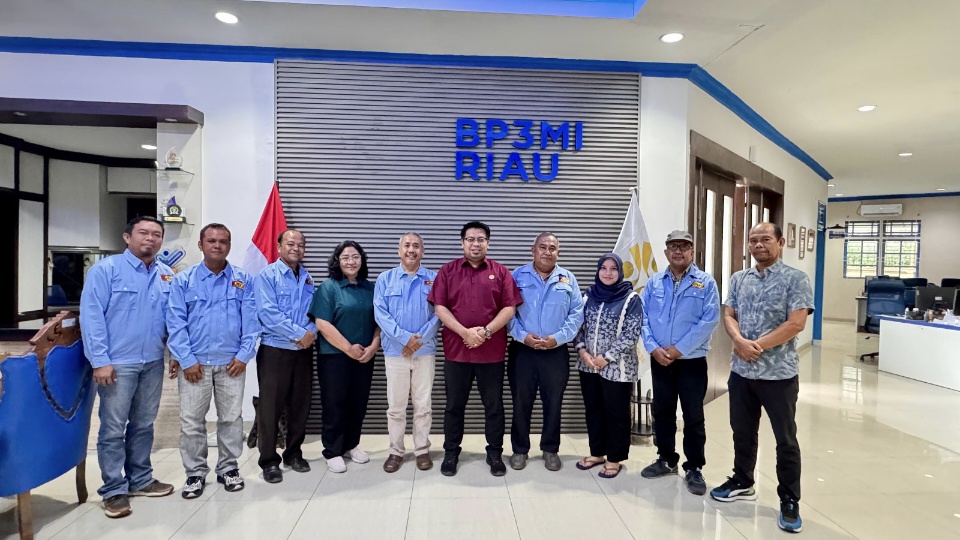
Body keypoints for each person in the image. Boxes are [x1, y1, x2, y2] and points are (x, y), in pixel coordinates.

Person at [709, 222, 813, 534]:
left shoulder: (796, 279)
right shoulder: (739, 278)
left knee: (786, 439)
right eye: (753, 240)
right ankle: (743, 480)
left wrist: (756, 346)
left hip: (779, 374)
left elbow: (796, 323)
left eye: (765, 239)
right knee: (742, 431)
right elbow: (729, 314)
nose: (758, 245)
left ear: (780, 242)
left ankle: (789, 499)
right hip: (741, 373)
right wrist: (738, 341)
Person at [80, 216, 176, 518]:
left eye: (156, 234)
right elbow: (91, 317)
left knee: (144, 424)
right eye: (143, 233)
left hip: (153, 362)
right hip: (117, 364)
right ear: (127, 237)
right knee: (113, 428)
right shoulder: (105, 271)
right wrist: (100, 361)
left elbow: (172, 319)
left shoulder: (166, 275)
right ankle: (113, 490)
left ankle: (141, 479)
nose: (150, 238)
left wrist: (175, 353)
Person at [166, 223, 259, 498]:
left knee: (231, 419)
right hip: (195, 365)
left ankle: (228, 468)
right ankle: (195, 473)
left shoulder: (243, 280)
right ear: (201, 244)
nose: (217, 245)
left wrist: (243, 356)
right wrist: (186, 360)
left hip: (232, 365)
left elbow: (251, 322)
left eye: (223, 241)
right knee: (191, 421)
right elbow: (175, 323)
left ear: (229, 245)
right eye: (211, 241)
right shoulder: (184, 280)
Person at [428, 221, 523, 477]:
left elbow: (509, 308)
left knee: (494, 406)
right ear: (462, 243)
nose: (476, 244)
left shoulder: (501, 272)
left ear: (488, 243)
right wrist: (465, 333)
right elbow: (439, 308)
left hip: (491, 353)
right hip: (456, 352)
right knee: (453, 406)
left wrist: (486, 332)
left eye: (481, 239)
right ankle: (451, 453)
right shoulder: (447, 271)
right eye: (470, 239)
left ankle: (495, 453)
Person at [639, 230, 720, 496]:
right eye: (673, 246)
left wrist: (678, 349)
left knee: (693, 415)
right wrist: (653, 348)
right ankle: (666, 458)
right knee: (662, 411)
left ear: (692, 251)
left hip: (691, 362)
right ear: (666, 252)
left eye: (684, 246)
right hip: (660, 360)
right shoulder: (654, 282)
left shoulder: (705, 283)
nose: (678, 251)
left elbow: (709, 321)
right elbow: (643, 318)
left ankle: (694, 467)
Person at [506, 232, 584, 471]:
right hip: (523, 351)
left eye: (552, 248)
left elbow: (577, 314)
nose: (547, 252)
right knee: (521, 402)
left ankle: (550, 449)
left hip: (555, 352)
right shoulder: (517, 276)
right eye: (543, 247)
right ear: (533, 250)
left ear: (558, 252)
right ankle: (520, 450)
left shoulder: (568, 279)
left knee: (553, 402)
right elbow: (507, 312)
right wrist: (523, 336)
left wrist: (557, 339)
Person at [310, 240, 381, 473]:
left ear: (362, 260)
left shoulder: (370, 288)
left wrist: (373, 347)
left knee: (358, 402)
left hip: (364, 357)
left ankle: (351, 445)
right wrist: (349, 348)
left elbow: (380, 321)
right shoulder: (328, 287)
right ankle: (332, 451)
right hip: (335, 356)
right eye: (345, 258)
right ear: (337, 261)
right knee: (335, 403)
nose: (351, 261)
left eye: (355, 257)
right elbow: (322, 323)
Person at [373, 233, 440, 473]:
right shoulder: (385, 279)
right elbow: (380, 313)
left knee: (423, 405)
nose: (411, 250)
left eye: (416, 246)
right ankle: (396, 451)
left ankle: (422, 450)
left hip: (424, 351)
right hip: (395, 352)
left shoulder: (434, 279)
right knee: (396, 406)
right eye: (407, 245)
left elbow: (440, 313)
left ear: (423, 251)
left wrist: (417, 341)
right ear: (399, 250)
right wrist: (404, 339)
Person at [254, 229, 316, 483]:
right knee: (270, 408)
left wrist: (310, 334)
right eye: (290, 243)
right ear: (279, 246)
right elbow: (267, 313)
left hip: (303, 351)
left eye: (300, 245)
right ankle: (269, 460)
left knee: (300, 405)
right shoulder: (267, 275)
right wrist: (299, 334)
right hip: (275, 350)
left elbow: (313, 313)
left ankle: (293, 453)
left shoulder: (307, 277)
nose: (296, 248)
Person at [573, 254, 643, 479]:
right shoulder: (588, 296)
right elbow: (578, 327)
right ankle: (597, 453)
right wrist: (582, 351)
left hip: (618, 367)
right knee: (594, 410)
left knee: (616, 413)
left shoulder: (631, 298)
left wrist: (607, 357)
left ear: (620, 272)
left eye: (613, 268)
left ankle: (614, 458)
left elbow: (631, 334)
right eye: (603, 268)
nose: (608, 273)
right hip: (589, 365)